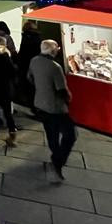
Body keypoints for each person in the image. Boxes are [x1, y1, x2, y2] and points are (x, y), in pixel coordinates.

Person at [29, 39, 76, 181]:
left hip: (40, 104)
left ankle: (55, 156)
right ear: (53, 51)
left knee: (51, 134)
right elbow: (61, 89)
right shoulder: (55, 67)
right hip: (55, 108)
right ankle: (58, 160)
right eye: (57, 48)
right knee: (70, 135)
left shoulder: (34, 61)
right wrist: (68, 98)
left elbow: (29, 78)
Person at [16, 20, 42, 107]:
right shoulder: (37, 37)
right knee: (34, 85)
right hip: (35, 64)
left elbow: (23, 52)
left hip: (25, 64)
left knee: (27, 84)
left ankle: (30, 102)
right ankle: (35, 104)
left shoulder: (25, 37)